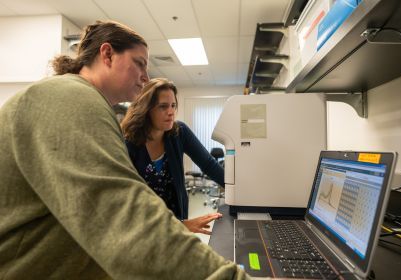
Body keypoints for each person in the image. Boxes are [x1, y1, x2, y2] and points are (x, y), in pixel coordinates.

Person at [0, 20, 248, 279]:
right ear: (107, 54)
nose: (145, 76)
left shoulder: (84, 101)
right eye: (139, 63)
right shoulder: (69, 97)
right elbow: (123, 217)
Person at [121, 78, 223, 235]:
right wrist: (180, 226)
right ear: (146, 109)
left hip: (178, 222)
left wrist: (238, 189)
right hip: (144, 230)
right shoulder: (129, 144)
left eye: (173, 106)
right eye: (163, 106)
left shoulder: (178, 132)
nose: (171, 112)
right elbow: (128, 202)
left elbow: (208, 164)